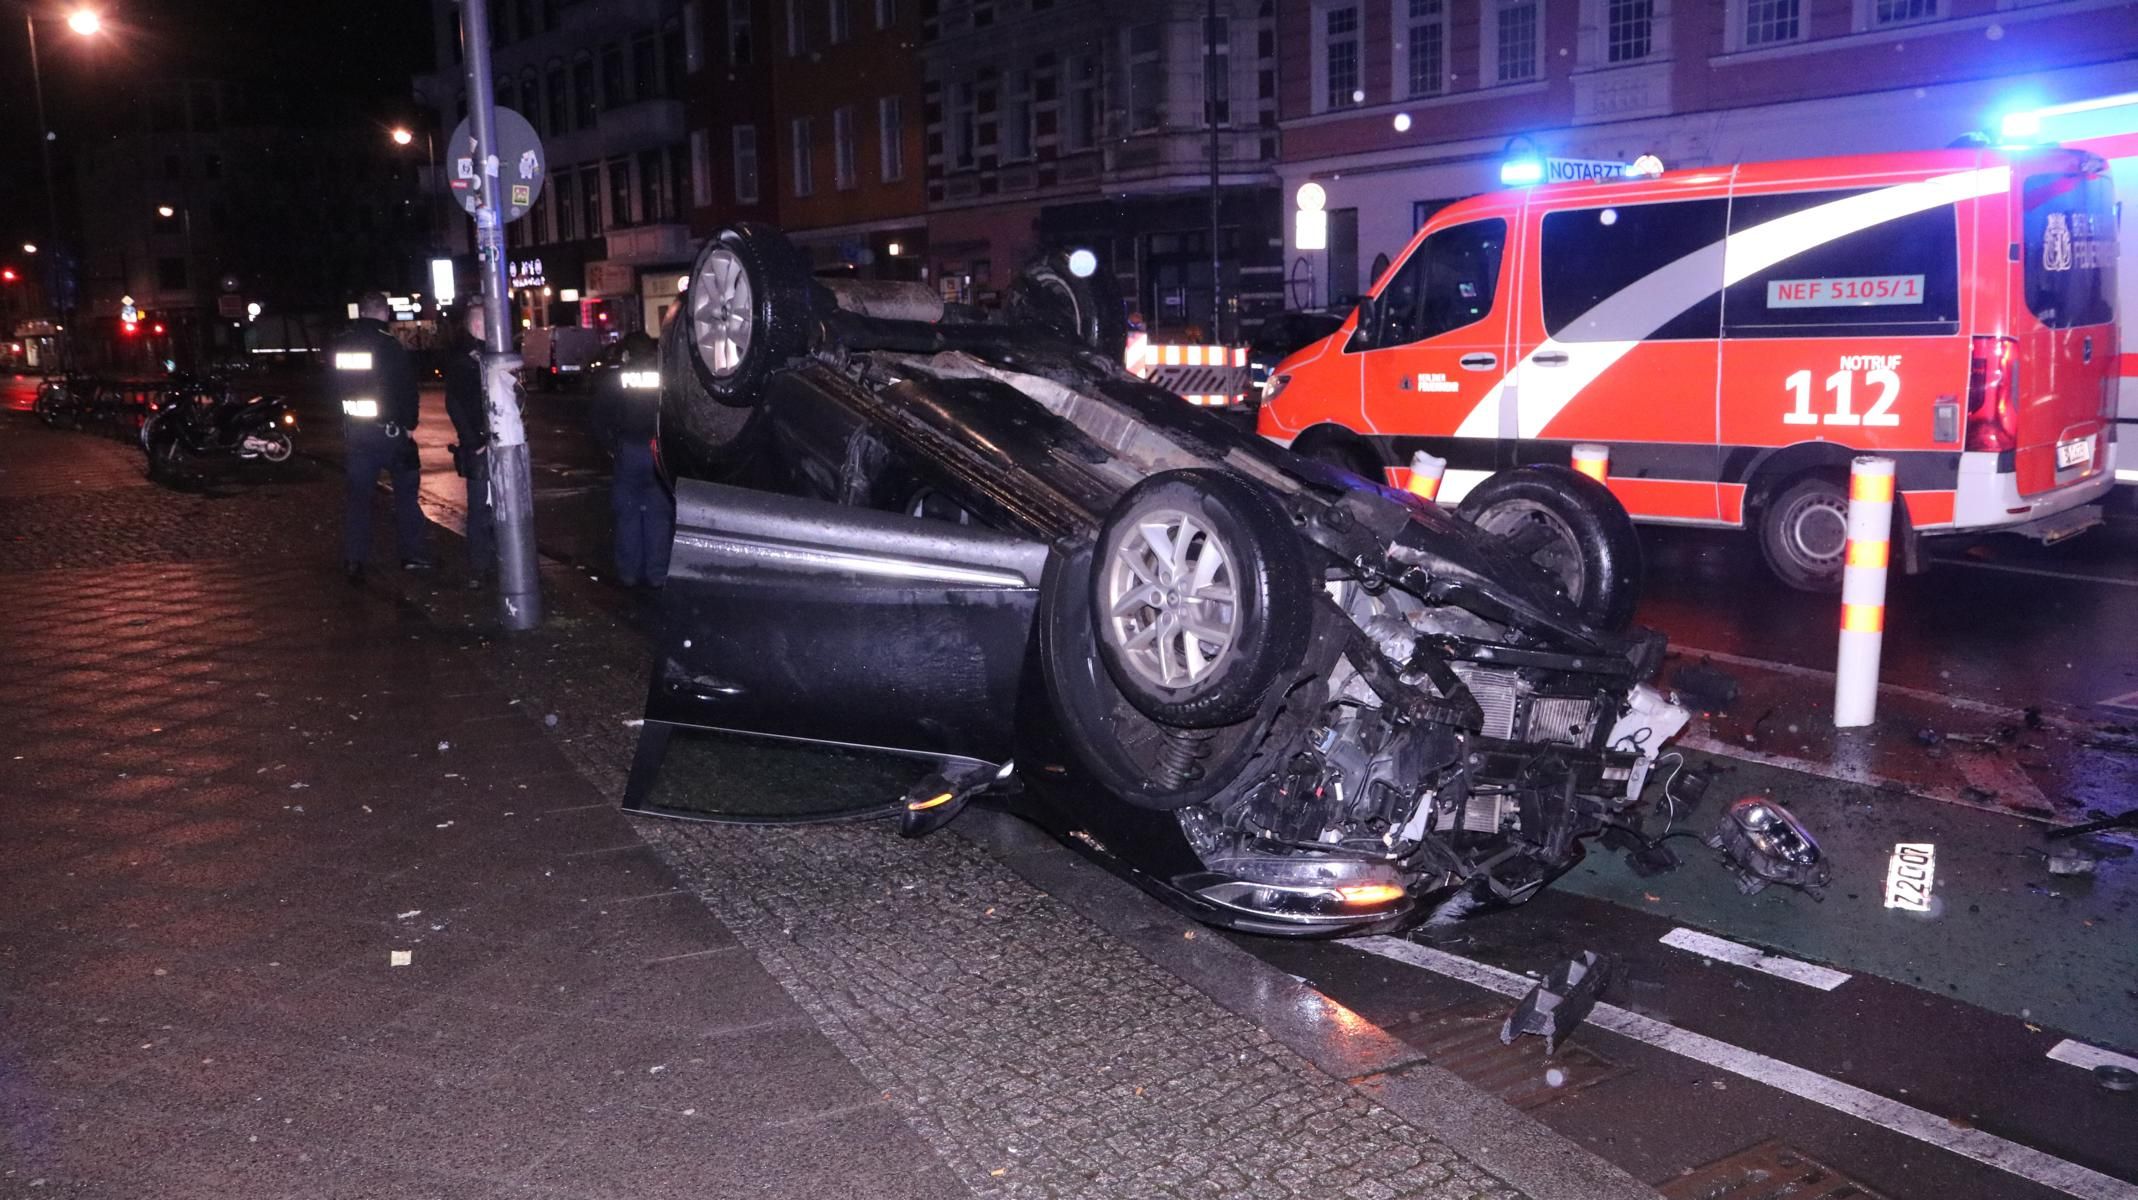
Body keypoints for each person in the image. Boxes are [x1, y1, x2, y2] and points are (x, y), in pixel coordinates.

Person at [332, 292, 430, 581]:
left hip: (357, 433)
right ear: (383, 312)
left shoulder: (343, 344)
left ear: (360, 312)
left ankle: (354, 559)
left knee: (359, 499)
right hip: (389, 434)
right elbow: (406, 388)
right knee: (406, 494)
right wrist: (409, 424)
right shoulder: (389, 346)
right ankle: (412, 555)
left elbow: (334, 387)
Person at [590, 329, 670, 589]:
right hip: (658, 452)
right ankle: (657, 574)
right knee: (658, 515)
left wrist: (612, 447)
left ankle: (628, 573)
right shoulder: (664, 376)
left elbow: (599, 416)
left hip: (629, 451)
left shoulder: (617, 377)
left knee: (628, 515)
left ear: (627, 352)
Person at [442, 302, 494, 589]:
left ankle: (485, 563)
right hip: (482, 447)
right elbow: (456, 404)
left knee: (488, 506)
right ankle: (480, 565)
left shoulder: (475, 355)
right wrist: (474, 441)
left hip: (488, 443)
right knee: (480, 507)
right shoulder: (466, 360)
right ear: (476, 326)